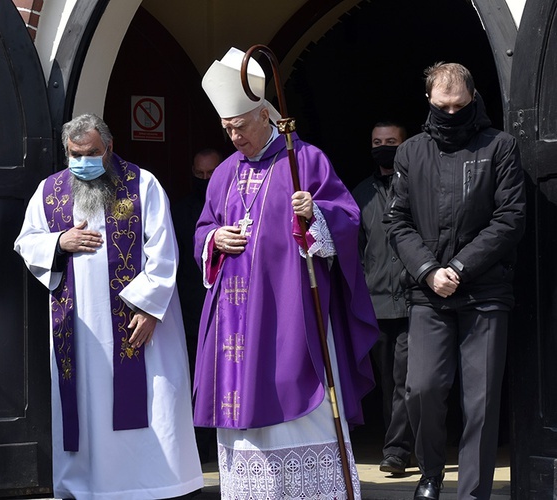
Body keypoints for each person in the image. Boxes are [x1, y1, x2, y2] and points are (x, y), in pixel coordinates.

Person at [194, 47, 378, 499]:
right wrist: (216, 240)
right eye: (226, 128)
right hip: (235, 323)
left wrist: (315, 215)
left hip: (292, 315)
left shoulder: (304, 160)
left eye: (239, 127)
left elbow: (348, 219)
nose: (233, 137)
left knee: (297, 397)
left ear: (264, 115)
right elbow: (202, 230)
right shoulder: (222, 174)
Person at [14, 114, 204, 499]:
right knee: (87, 405)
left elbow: (164, 250)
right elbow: (26, 240)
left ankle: (157, 484)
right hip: (80, 328)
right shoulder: (50, 191)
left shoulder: (142, 184)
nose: (82, 161)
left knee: (152, 402)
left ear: (110, 147)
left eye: (91, 153)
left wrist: (150, 309)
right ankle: (87, 486)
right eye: (75, 154)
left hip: (139, 323)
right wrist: (59, 241)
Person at [384, 62, 526, 500]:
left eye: (459, 105)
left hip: (484, 291)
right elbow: (397, 222)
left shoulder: (500, 146)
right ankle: (430, 472)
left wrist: (461, 268)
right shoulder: (409, 152)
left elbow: (510, 217)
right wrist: (428, 270)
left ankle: (473, 492)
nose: (450, 113)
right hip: (428, 294)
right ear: (429, 101)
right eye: (442, 106)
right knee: (423, 386)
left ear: (473, 97)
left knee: (480, 401)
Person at [352, 120, 414, 475]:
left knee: (410, 381)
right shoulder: (360, 194)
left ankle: (397, 452)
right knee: (390, 382)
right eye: (377, 141)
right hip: (376, 305)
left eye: (391, 141)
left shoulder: (420, 187)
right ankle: (400, 449)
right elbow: (355, 250)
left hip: (415, 300)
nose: (383, 146)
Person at [172, 148, 222, 463]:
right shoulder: (179, 211)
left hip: (228, 309)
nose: (205, 181)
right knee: (193, 380)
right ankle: (198, 447)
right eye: (199, 175)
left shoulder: (234, 206)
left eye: (211, 175)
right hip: (190, 312)